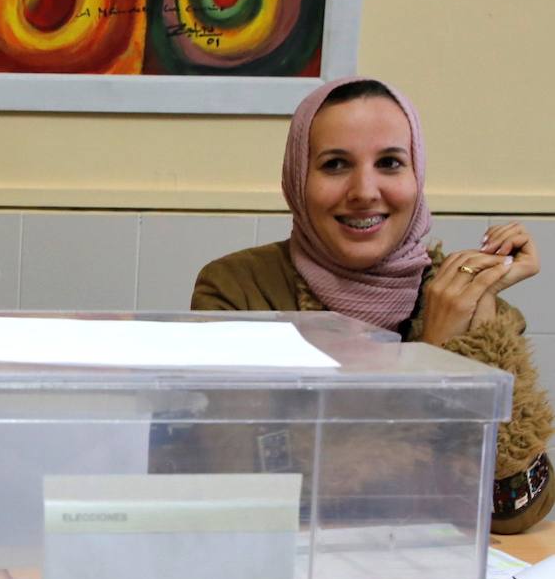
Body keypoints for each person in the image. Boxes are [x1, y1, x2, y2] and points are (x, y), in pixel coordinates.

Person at [192, 77, 550, 534]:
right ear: (297, 179)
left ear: (416, 177)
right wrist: (430, 359)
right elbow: (252, 481)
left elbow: (514, 511)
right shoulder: (240, 291)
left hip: (435, 569)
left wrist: (480, 340)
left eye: (389, 163)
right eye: (335, 164)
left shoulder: (459, 300)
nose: (364, 190)